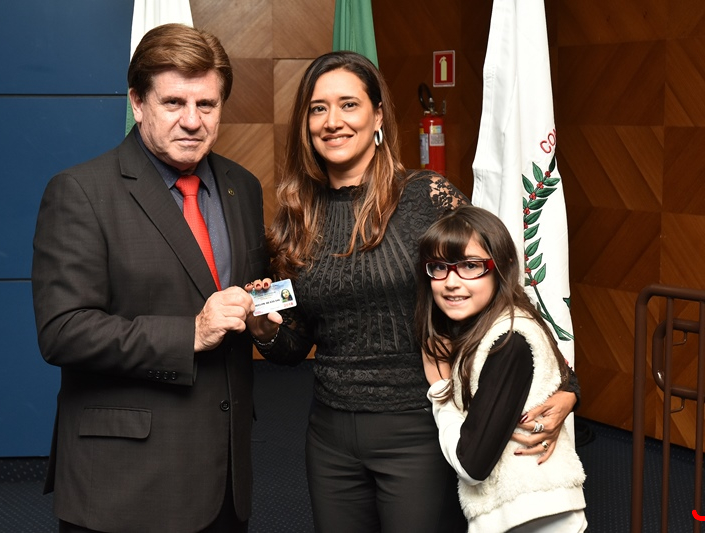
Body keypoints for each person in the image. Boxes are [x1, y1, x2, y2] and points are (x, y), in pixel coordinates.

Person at [246, 51, 579, 532]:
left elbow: (502, 286)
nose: (333, 121)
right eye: (318, 108)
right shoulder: (295, 219)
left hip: (418, 428)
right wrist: (266, 332)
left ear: (378, 115)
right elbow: (295, 345)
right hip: (330, 436)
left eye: (348, 105)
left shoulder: (424, 196)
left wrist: (567, 383)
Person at [31, 24, 267, 533]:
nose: (192, 121)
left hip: (225, 481)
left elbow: (248, 300)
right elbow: (63, 331)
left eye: (207, 104)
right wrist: (191, 333)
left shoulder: (243, 188)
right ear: (137, 102)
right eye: (173, 103)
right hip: (123, 483)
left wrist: (265, 324)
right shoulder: (80, 192)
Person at [416, 206, 587, 532]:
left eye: (470, 266)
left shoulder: (509, 339)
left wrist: (441, 389)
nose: (451, 282)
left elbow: (471, 466)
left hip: (533, 516)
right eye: (438, 267)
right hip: (528, 511)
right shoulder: (497, 322)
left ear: (502, 267)